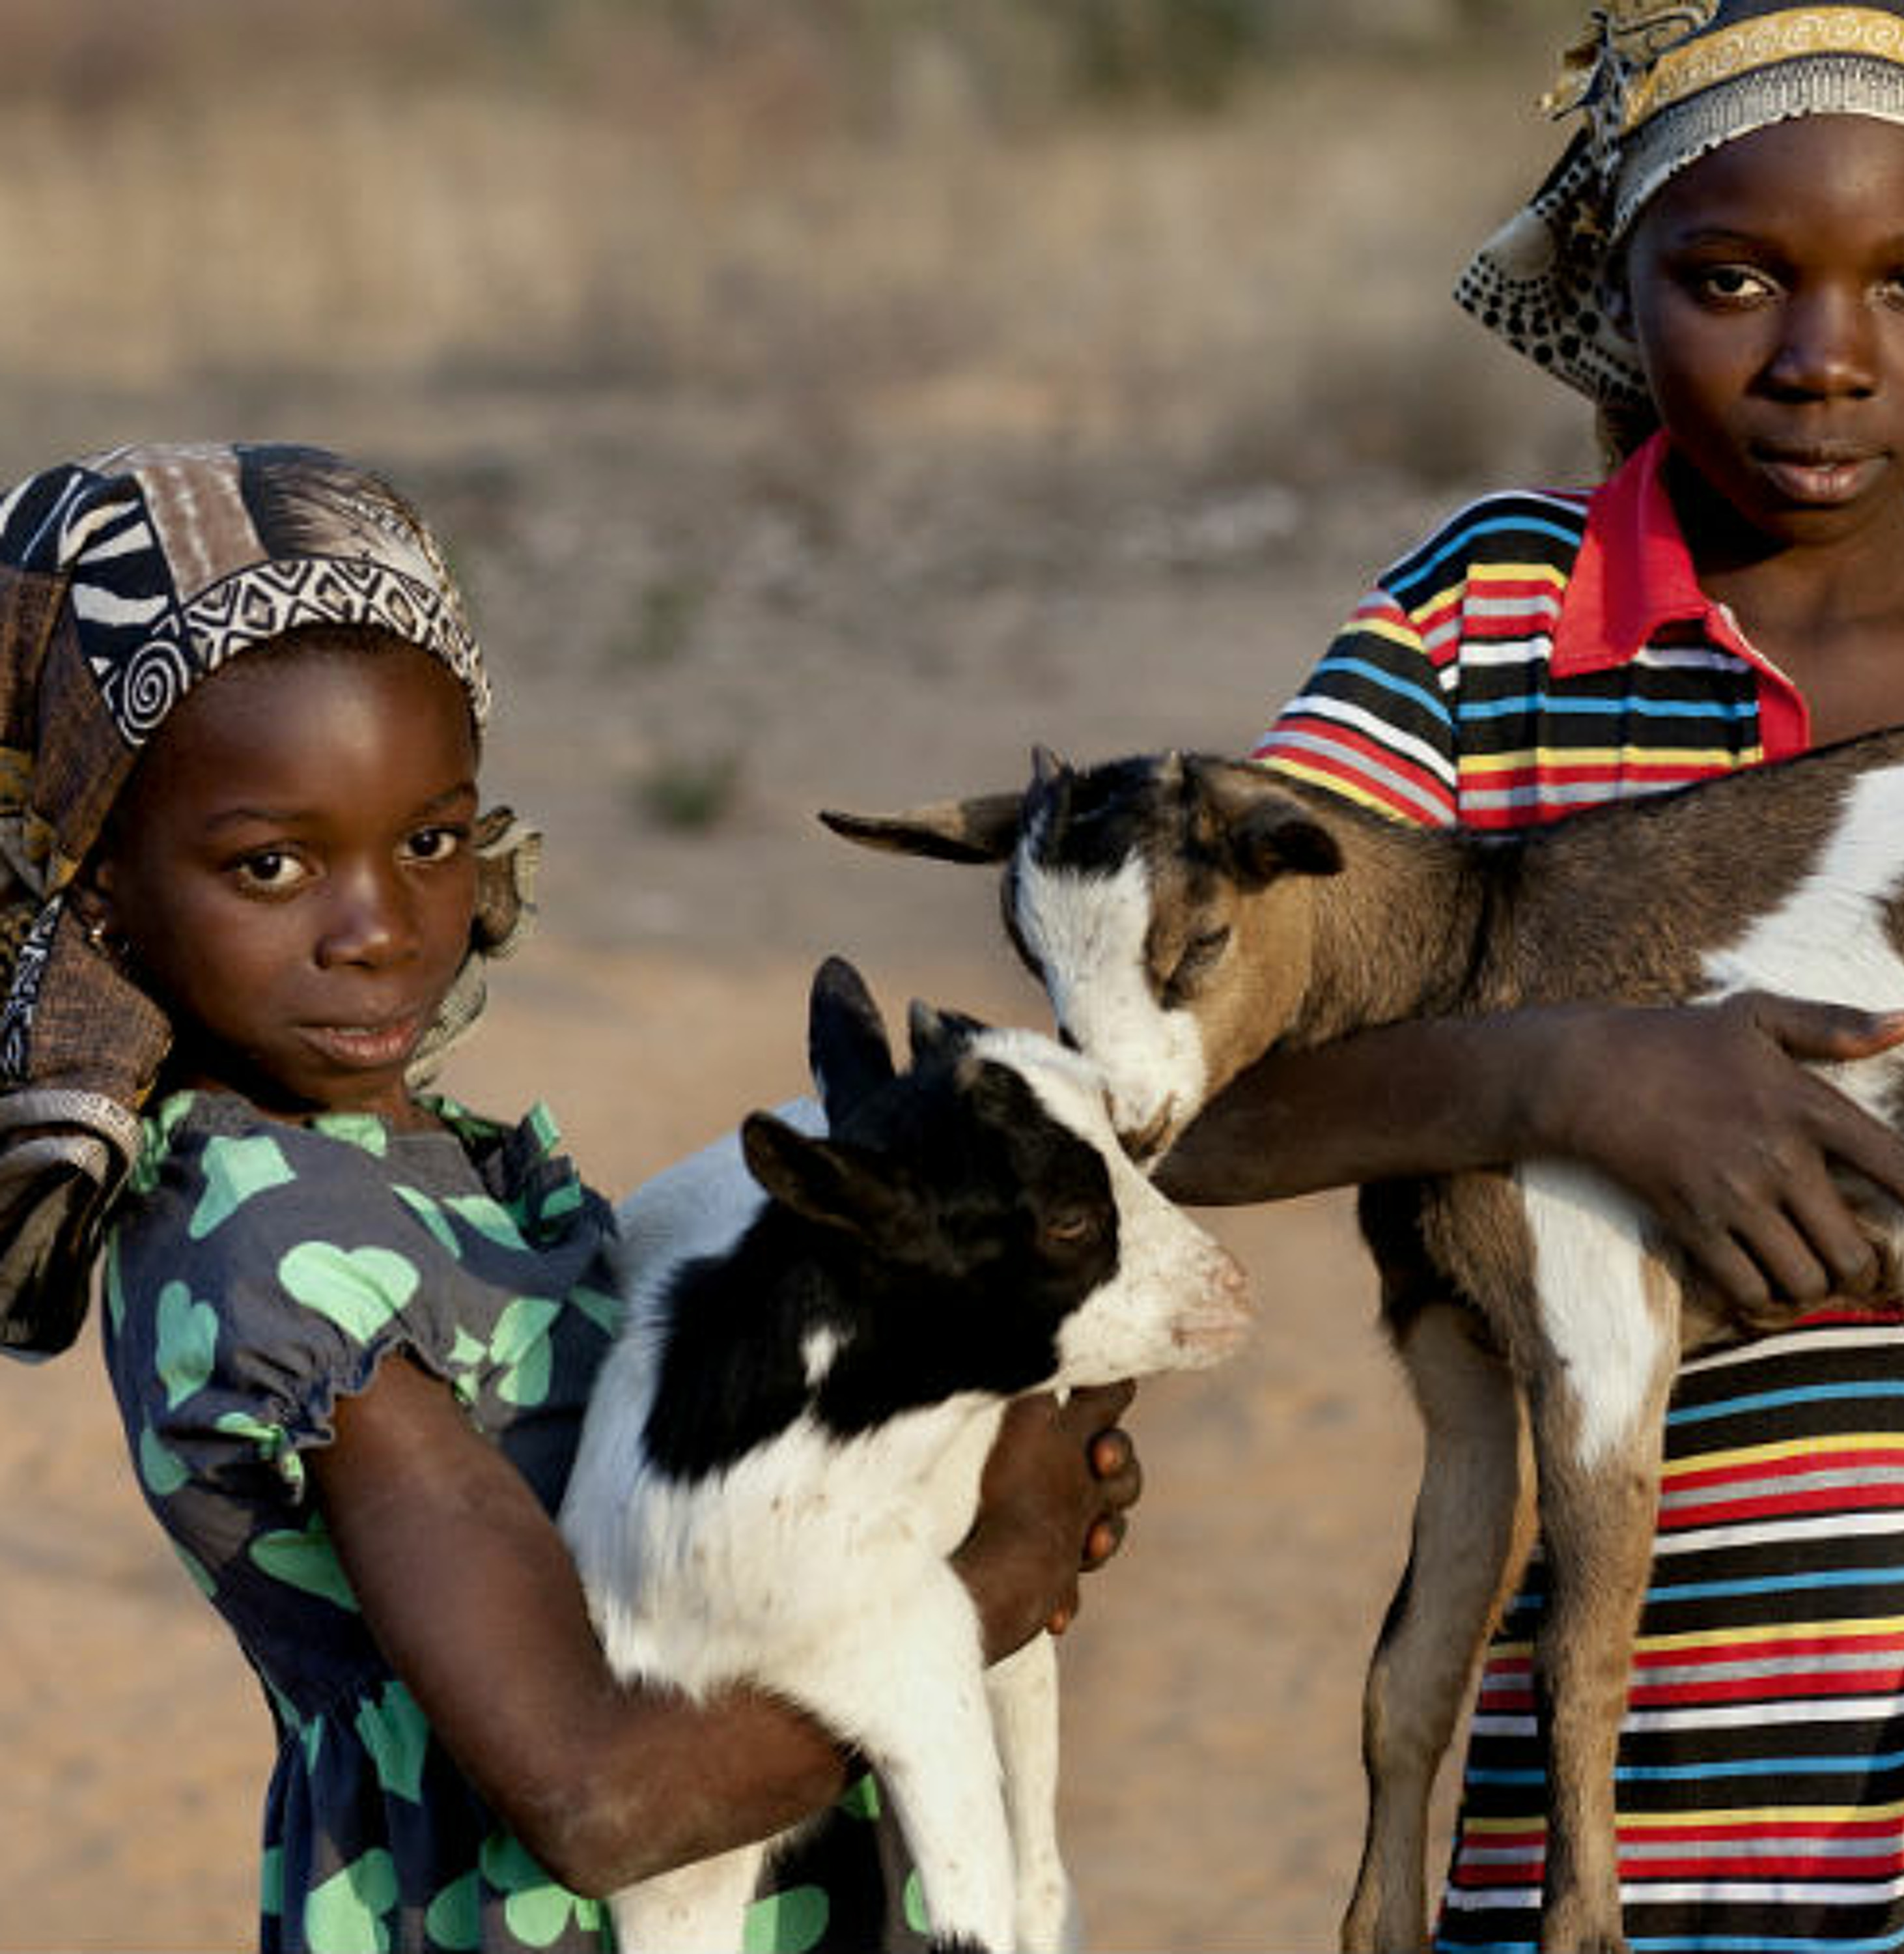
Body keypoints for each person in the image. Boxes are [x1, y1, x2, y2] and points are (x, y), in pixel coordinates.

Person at [0, 442, 1143, 1953]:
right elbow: (599, 1799)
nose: (381, 929)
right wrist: (998, 1569)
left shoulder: (404, 1165)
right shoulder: (286, 1254)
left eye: (431, 839)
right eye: (270, 864)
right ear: (94, 885)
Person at [1158, 3, 1904, 1947]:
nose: (1825, 356)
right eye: (1733, 278)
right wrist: (1575, 1078)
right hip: (1641, 1768)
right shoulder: (1484, 622)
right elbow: (1191, 1107)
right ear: (1616, 285)